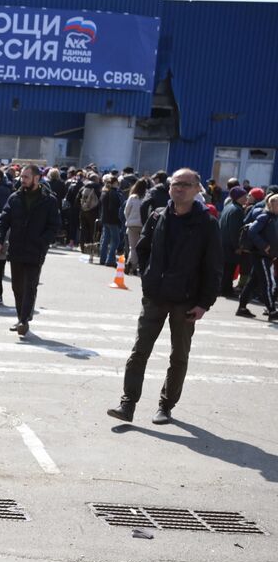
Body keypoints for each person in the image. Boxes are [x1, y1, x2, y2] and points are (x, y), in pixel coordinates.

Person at [107, 168, 221, 425]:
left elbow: (213, 267)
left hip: (187, 301)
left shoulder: (207, 223)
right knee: (139, 351)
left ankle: (166, 406)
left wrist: (204, 303)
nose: (179, 188)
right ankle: (127, 404)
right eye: (175, 184)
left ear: (196, 189)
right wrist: (149, 277)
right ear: (169, 188)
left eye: (185, 185)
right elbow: (142, 248)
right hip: (156, 296)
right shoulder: (158, 216)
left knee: (178, 356)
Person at [0, 164, 61, 338]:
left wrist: (42, 241)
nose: (22, 180)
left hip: (35, 250)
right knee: (17, 287)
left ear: (37, 178)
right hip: (16, 249)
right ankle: (21, 316)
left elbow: (55, 226)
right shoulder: (14, 198)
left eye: (26, 177)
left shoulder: (49, 200)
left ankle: (24, 320)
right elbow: (3, 221)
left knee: (30, 286)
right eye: (21, 177)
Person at [218, 186, 251, 299]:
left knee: (226, 268)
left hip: (223, 242)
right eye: (244, 196)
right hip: (231, 245)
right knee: (229, 268)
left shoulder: (228, 207)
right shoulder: (237, 210)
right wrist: (238, 246)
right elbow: (235, 230)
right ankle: (226, 290)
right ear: (238, 197)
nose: (246, 198)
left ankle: (223, 288)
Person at [123, 178, 148, 274]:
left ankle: (130, 263)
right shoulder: (146, 197)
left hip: (132, 224)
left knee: (132, 247)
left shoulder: (133, 197)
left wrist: (128, 219)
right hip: (143, 225)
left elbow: (126, 211)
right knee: (140, 247)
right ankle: (134, 266)